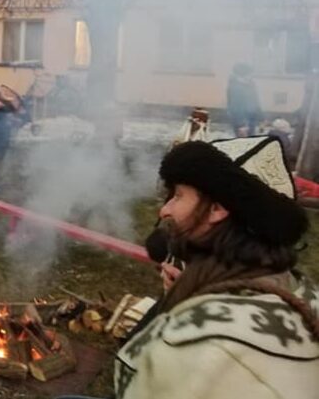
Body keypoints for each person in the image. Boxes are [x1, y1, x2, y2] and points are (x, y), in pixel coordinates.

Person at [115, 136, 318, 399]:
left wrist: (186, 308)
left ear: (217, 208)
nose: (165, 210)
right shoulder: (299, 290)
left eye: (178, 195)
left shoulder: (200, 344)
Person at [226, 63, 263, 137]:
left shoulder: (250, 85)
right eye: (249, 74)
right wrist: (241, 125)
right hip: (243, 122)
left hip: (251, 119)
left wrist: (261, 117)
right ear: (242, 75)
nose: (251, 76)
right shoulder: (236, 88)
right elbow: (235, 107)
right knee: (244, 144)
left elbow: (255, 102)